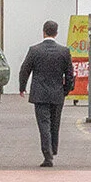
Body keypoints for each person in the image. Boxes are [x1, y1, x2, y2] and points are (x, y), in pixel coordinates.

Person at [17, 21, 75, 167]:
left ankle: (47, 154)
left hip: (40, 93)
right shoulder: (64, 51)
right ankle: (53, 149)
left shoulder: (34, 50)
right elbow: (69, 74)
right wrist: (66, 90)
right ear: (56, 33)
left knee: (44, 124)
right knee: (55, 123)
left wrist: (22, 87)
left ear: (43, 32)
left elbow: (25, 70)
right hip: (57, 93)